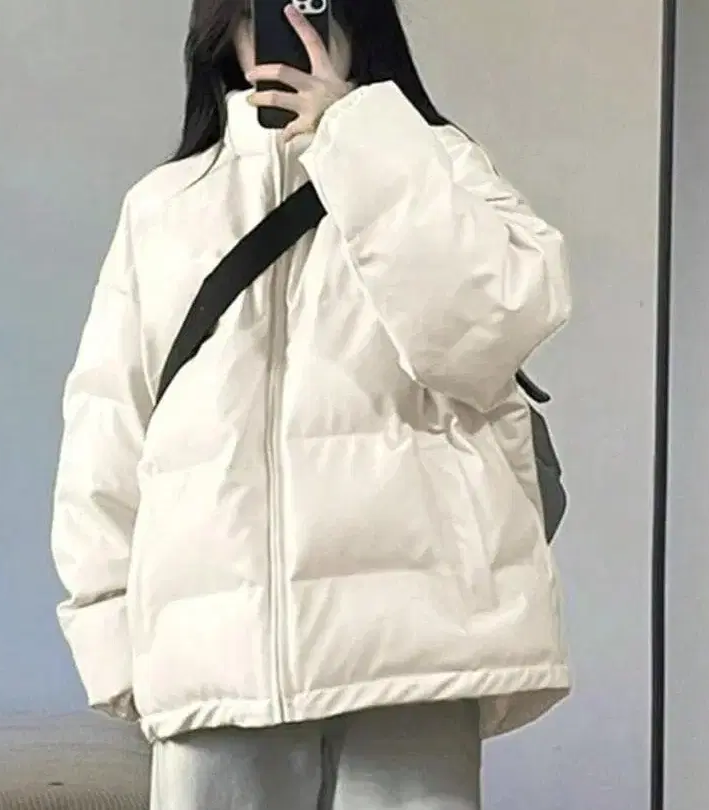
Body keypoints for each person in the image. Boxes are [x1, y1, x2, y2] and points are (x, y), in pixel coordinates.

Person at [51, 1, 572, 808]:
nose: (288, 24)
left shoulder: (436, 162)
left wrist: (358, 136)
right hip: (216, 657)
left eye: (314, 3)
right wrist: (113, 637)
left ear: (356, 18)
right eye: (264, 6)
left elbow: (489, 327)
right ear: (223, 28)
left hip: (417, 648)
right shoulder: (162, 206)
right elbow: (108, 428)